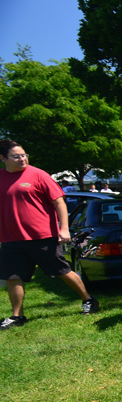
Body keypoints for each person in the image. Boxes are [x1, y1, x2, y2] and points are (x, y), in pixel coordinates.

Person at [0, 139, 99, 329]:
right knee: (13, 276)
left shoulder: (38, 175)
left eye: (24, 155)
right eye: (16, 156)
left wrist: (64, 228)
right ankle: (17, 316)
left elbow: (59, 201)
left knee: (62, 271)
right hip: (11, 238)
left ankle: (88, 299)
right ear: (3, 158)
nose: (22, 159)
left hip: (42, 236)